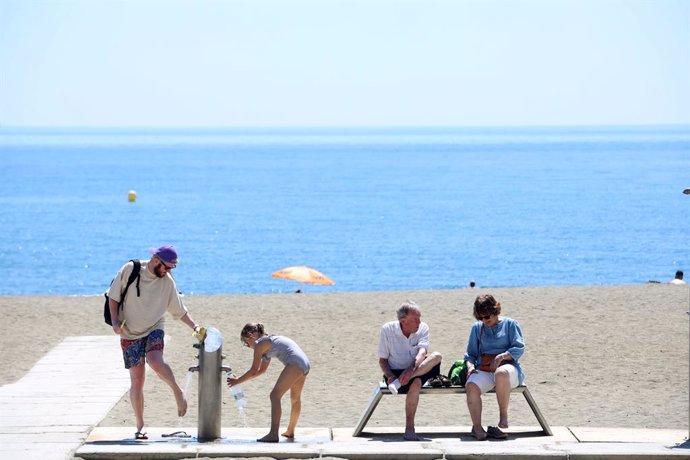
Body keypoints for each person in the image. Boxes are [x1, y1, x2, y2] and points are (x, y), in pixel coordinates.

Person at [108, 244, 202, 440]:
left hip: (154, 326)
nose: (169, 272)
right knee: (137, 380)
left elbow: (179, 310)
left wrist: (195, 327)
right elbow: (113, 297)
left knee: (155, 360)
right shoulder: (130, 269)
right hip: (129, 332)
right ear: (156, 261)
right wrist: (115, 322)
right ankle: (140, 426)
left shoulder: (167, 282)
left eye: (172, 269)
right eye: (167, 267)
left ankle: (178, 391)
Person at [227, 323, 310, 443]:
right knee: (295, 399)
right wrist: (239, 379)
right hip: (305, 363)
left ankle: (273, 434)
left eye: (246, 343)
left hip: (295, 363)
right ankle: (290, 431)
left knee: (274, 396)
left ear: (252, 335)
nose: (248, 346)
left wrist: (237, 381)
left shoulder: (259, 344)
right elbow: (261, 370)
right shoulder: (268, 344)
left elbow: (254, 370)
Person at [378, 301, 443, 441]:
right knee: (416, 383)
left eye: (419, 317)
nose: (419, 322)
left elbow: (422, 352)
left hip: (419, 368)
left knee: (436, 356)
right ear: (403, 321)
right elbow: (382, 361)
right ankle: (409, 429)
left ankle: (409, 428)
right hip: (394, 373)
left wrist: (410, 370)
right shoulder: (387, 330)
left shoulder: (423, 328)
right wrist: (390, 376)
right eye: (415, 319)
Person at [463, 294, 525, 440]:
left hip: (509, 369)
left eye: (486, 316)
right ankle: (477, 428)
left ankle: (503, 415)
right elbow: (470, 354)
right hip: (485, 369)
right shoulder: (477, 328)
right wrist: (470, 367)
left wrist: (502, 356)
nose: (484, 320)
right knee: (471, 385)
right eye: (480, 318)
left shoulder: (510, 324)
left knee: (501, 373)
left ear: (495, 310)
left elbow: (519, 348)